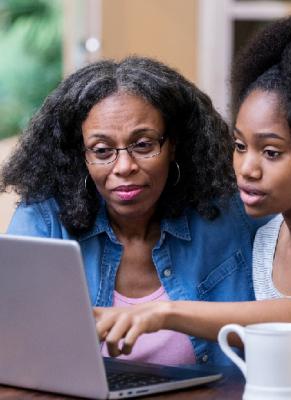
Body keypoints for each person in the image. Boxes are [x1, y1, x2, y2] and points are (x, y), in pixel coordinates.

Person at [94, 7, 291, 370]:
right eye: (240, 146)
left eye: (271, 152)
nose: (246, 169)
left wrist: (164, 312)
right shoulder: (263, 239)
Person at [0, 56, 267, 366]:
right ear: (81, 155)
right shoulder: (44, 222)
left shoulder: (231, 213)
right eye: (102, 151)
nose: (124, 167)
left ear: (174, 145)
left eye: (143, 145)